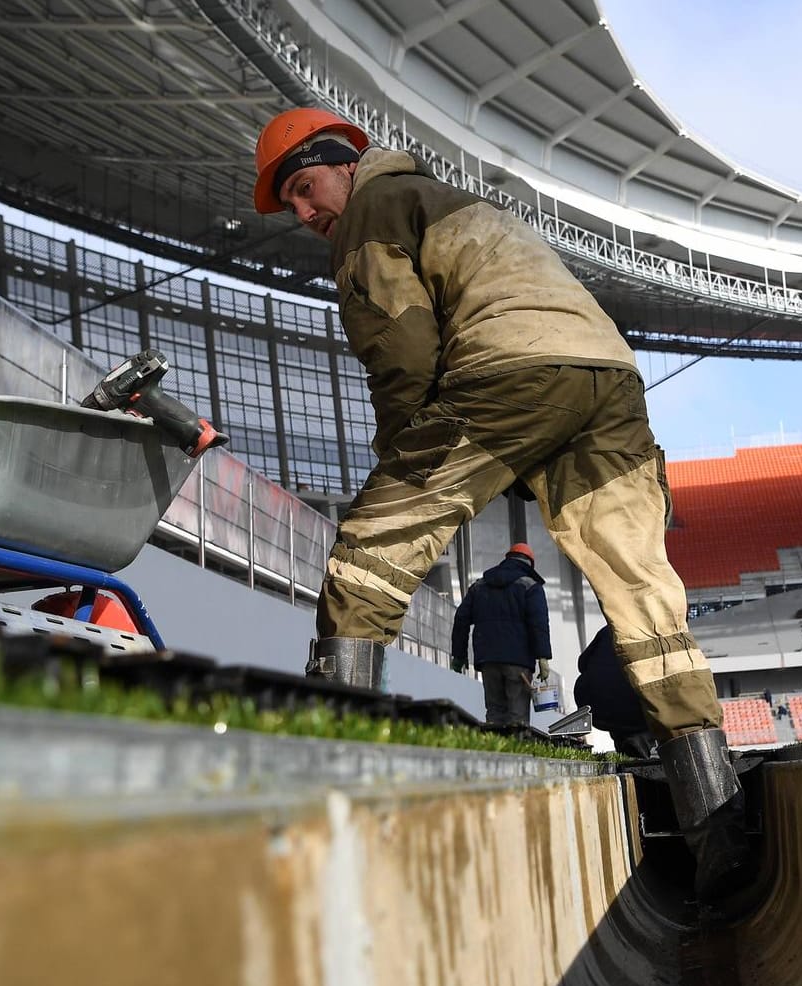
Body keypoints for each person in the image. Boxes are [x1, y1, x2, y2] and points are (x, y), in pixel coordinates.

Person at [253, 108, 751, 899]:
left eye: (306, 189)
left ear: (346, 164)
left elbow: (403, 353)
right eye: (294, 206)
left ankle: (331, 782)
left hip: (513, 368)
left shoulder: (373, 215)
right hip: (609, 377)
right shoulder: (444, 198)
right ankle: (718, 822)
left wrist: (404, 467)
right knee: (647, 601)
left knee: (369, 555)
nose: (307, 214)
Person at [450, 543, 552, 730]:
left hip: (488, 660)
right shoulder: (531, 586)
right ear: (530, 563)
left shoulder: (480, 586)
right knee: (517, 717)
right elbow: (538, 624)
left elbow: (461, 618)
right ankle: (517, 757)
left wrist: (459, 655)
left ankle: (495, 755)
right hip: (518, 662)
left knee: (494, 712)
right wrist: (543, 657)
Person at [572, 624, 655, 759]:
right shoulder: (655, 631)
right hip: (630, 706)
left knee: (615, 700)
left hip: (593, 705)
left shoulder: (609, 628)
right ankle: (641, 739)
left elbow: (582, 663)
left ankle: (625, 744)